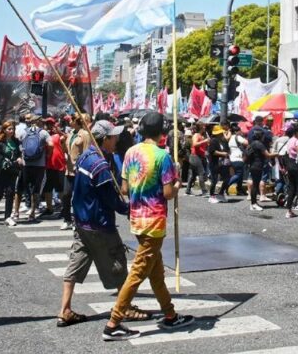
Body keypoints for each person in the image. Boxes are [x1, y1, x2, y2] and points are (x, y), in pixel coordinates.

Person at [103, 113, 194, 341]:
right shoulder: (162, 156)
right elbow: (167, 193)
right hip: (154, 221)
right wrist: (177, 184)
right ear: (162, 133)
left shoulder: (131, 153)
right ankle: (113, 322)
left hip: (136, 219)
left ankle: (170, 315)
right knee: (137, 274)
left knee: (156, 273)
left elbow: (124, 190)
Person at [57, 120, 134, 326]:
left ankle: (64, 309)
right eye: (113, 136)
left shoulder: (85, 157)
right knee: (118, 262)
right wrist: (128, 209)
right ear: (105, 139)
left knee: (75, 263)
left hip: (82, 222)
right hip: (99, 224)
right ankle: (123, 307)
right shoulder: (99, 165)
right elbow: (111, 200)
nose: (116, 139)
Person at [0, 121, 21, 224]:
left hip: (12, 170)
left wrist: (19, 158)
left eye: (12, 129)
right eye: (9, 129)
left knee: (10, 193)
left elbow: (19, 153)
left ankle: (8, 217)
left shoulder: (16, 141)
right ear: (4, 130)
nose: (11, 131)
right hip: (0, 171)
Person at [207, 125, 230, 203]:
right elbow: (212, 151)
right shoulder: (213, 140)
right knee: (214, 180)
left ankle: (221, 193)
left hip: (222, 163)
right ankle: (211, 195)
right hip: (214, 163)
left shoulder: (222, 141)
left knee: (227, 178)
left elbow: (227, 149)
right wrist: (223, 153)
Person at [186, 123, 209, 196]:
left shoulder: (202, 136)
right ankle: (204, 191)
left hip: (199, 156)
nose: (205, 127)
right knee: (201, 173)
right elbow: (195, 144)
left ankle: (188, 190)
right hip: (195, 156)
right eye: (203, 126)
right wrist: (204, 141)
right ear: (201, 127)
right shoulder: (196, 135)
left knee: (192, 174)